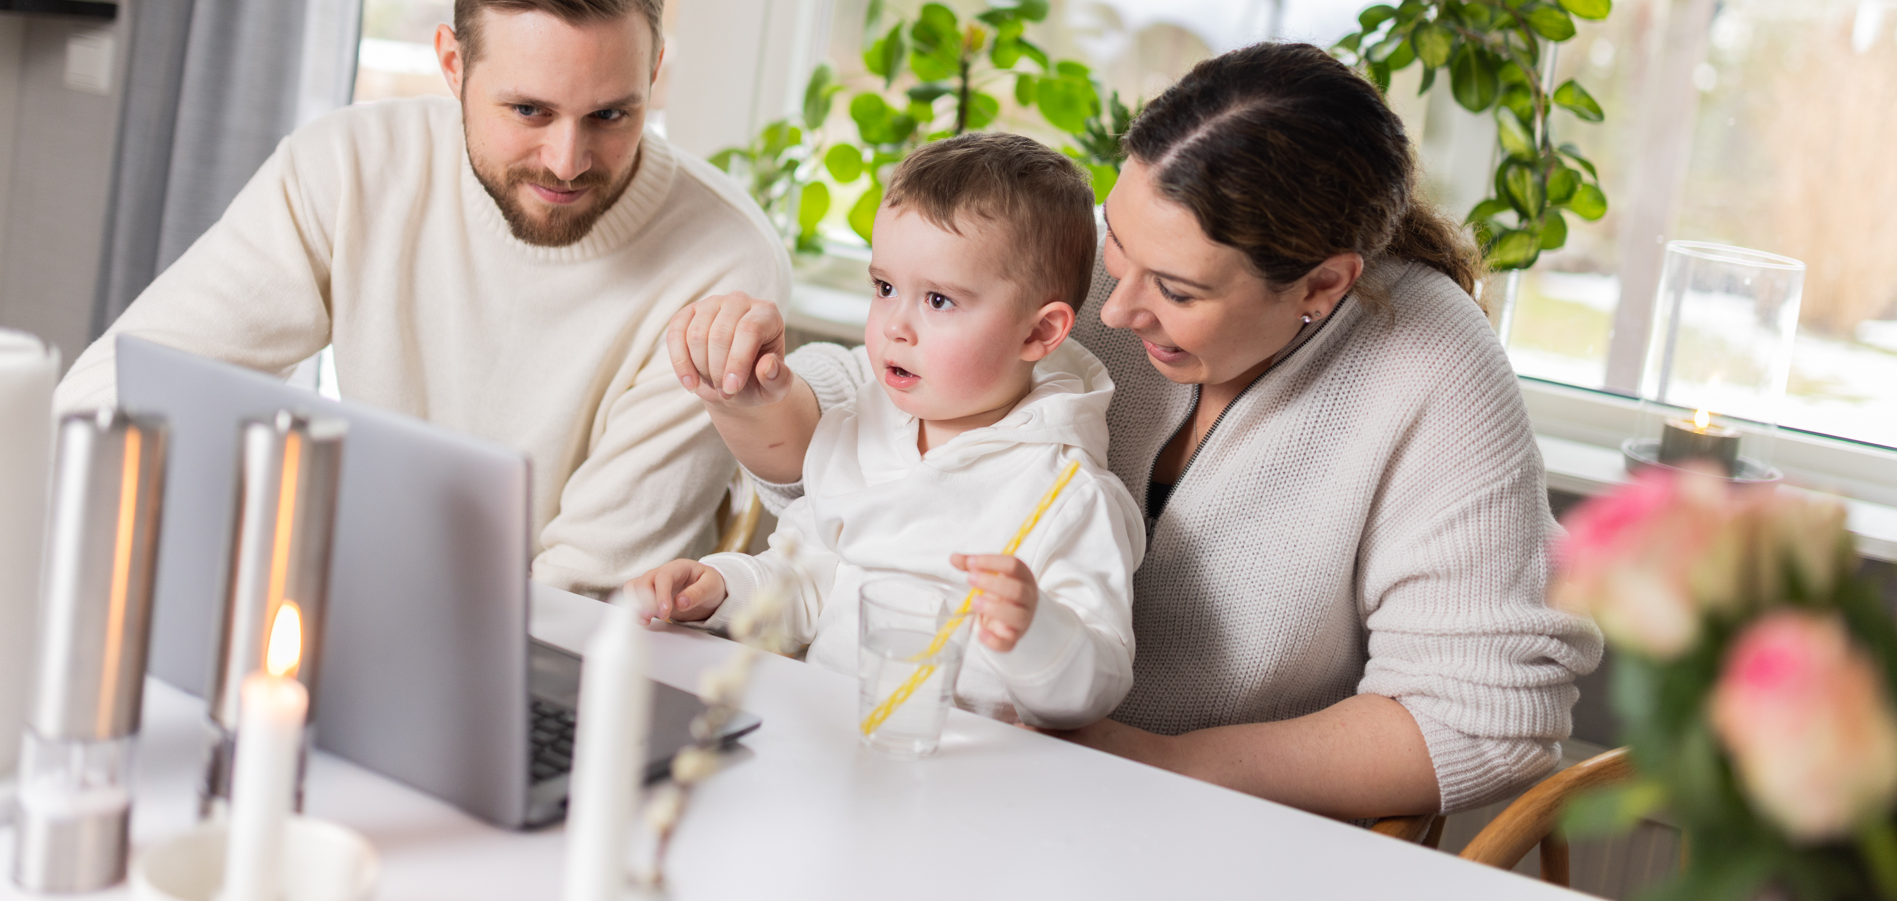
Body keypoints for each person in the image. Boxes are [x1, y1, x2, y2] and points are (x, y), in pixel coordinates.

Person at [672, 42, 1603, 820]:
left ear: (1321, 286)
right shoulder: (1094, 263)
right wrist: (756, 386)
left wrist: (1156, 764)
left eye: (1180, 291)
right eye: (1118, 240)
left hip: (1197, 834)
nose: (1111, 311)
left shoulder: (1431, 368)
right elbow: (853, 437)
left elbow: (1484, 719)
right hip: (944, 781)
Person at [57, 0, 789, 594]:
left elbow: (585, 595)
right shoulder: (351, 167)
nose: (567, 161)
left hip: (544, 648)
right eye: (528, 110)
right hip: (345, 597)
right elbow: (103, 399)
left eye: (610, 115)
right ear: (453, 65)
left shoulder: (723, 263)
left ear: (653, 72)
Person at [641, 133, 1146, 726]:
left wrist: (1039, 633)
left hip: (970, 765)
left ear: (1038, 333)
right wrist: (721, 589)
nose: (894, 327)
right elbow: (804, 583)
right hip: (825, 736)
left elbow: (1100, 684)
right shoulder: (858, 432)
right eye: (884, 288)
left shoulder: (1067, 495)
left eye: (939, 300)